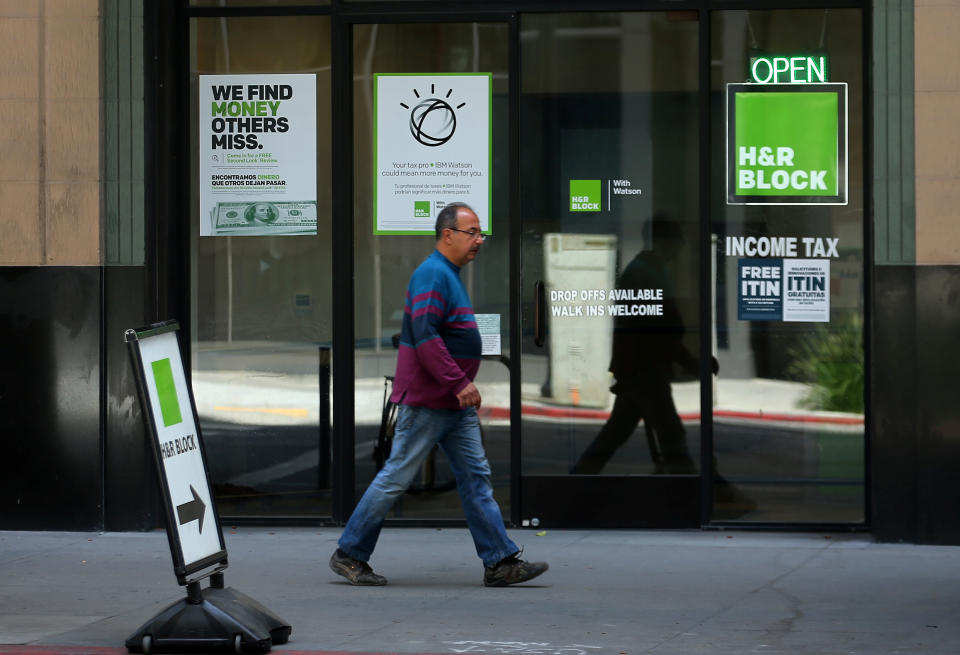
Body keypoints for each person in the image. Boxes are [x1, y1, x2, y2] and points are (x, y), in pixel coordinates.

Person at [330, 202, 548, 587]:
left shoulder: (448, 274)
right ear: (448, 234)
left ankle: (499, 561)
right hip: (431, 400)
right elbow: (426, 335)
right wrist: (459, 382)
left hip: (449, 403)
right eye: (473, 232)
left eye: (481, 233)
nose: (480, 240)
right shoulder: (432, 274)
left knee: (475, 477)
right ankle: (349, 554)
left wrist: (458, 388)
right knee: (396, 477)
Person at [571, 215, 710, 475]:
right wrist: (688, 361)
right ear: (663, 241)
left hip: (641, 368)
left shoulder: (653, 270)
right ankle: (691, 494)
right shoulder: (643, 273)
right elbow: (652, 329)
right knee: (670, 433)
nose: (681, 245)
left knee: (617, 432)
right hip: (644, 370)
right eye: (677, 238)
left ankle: (578, 480)